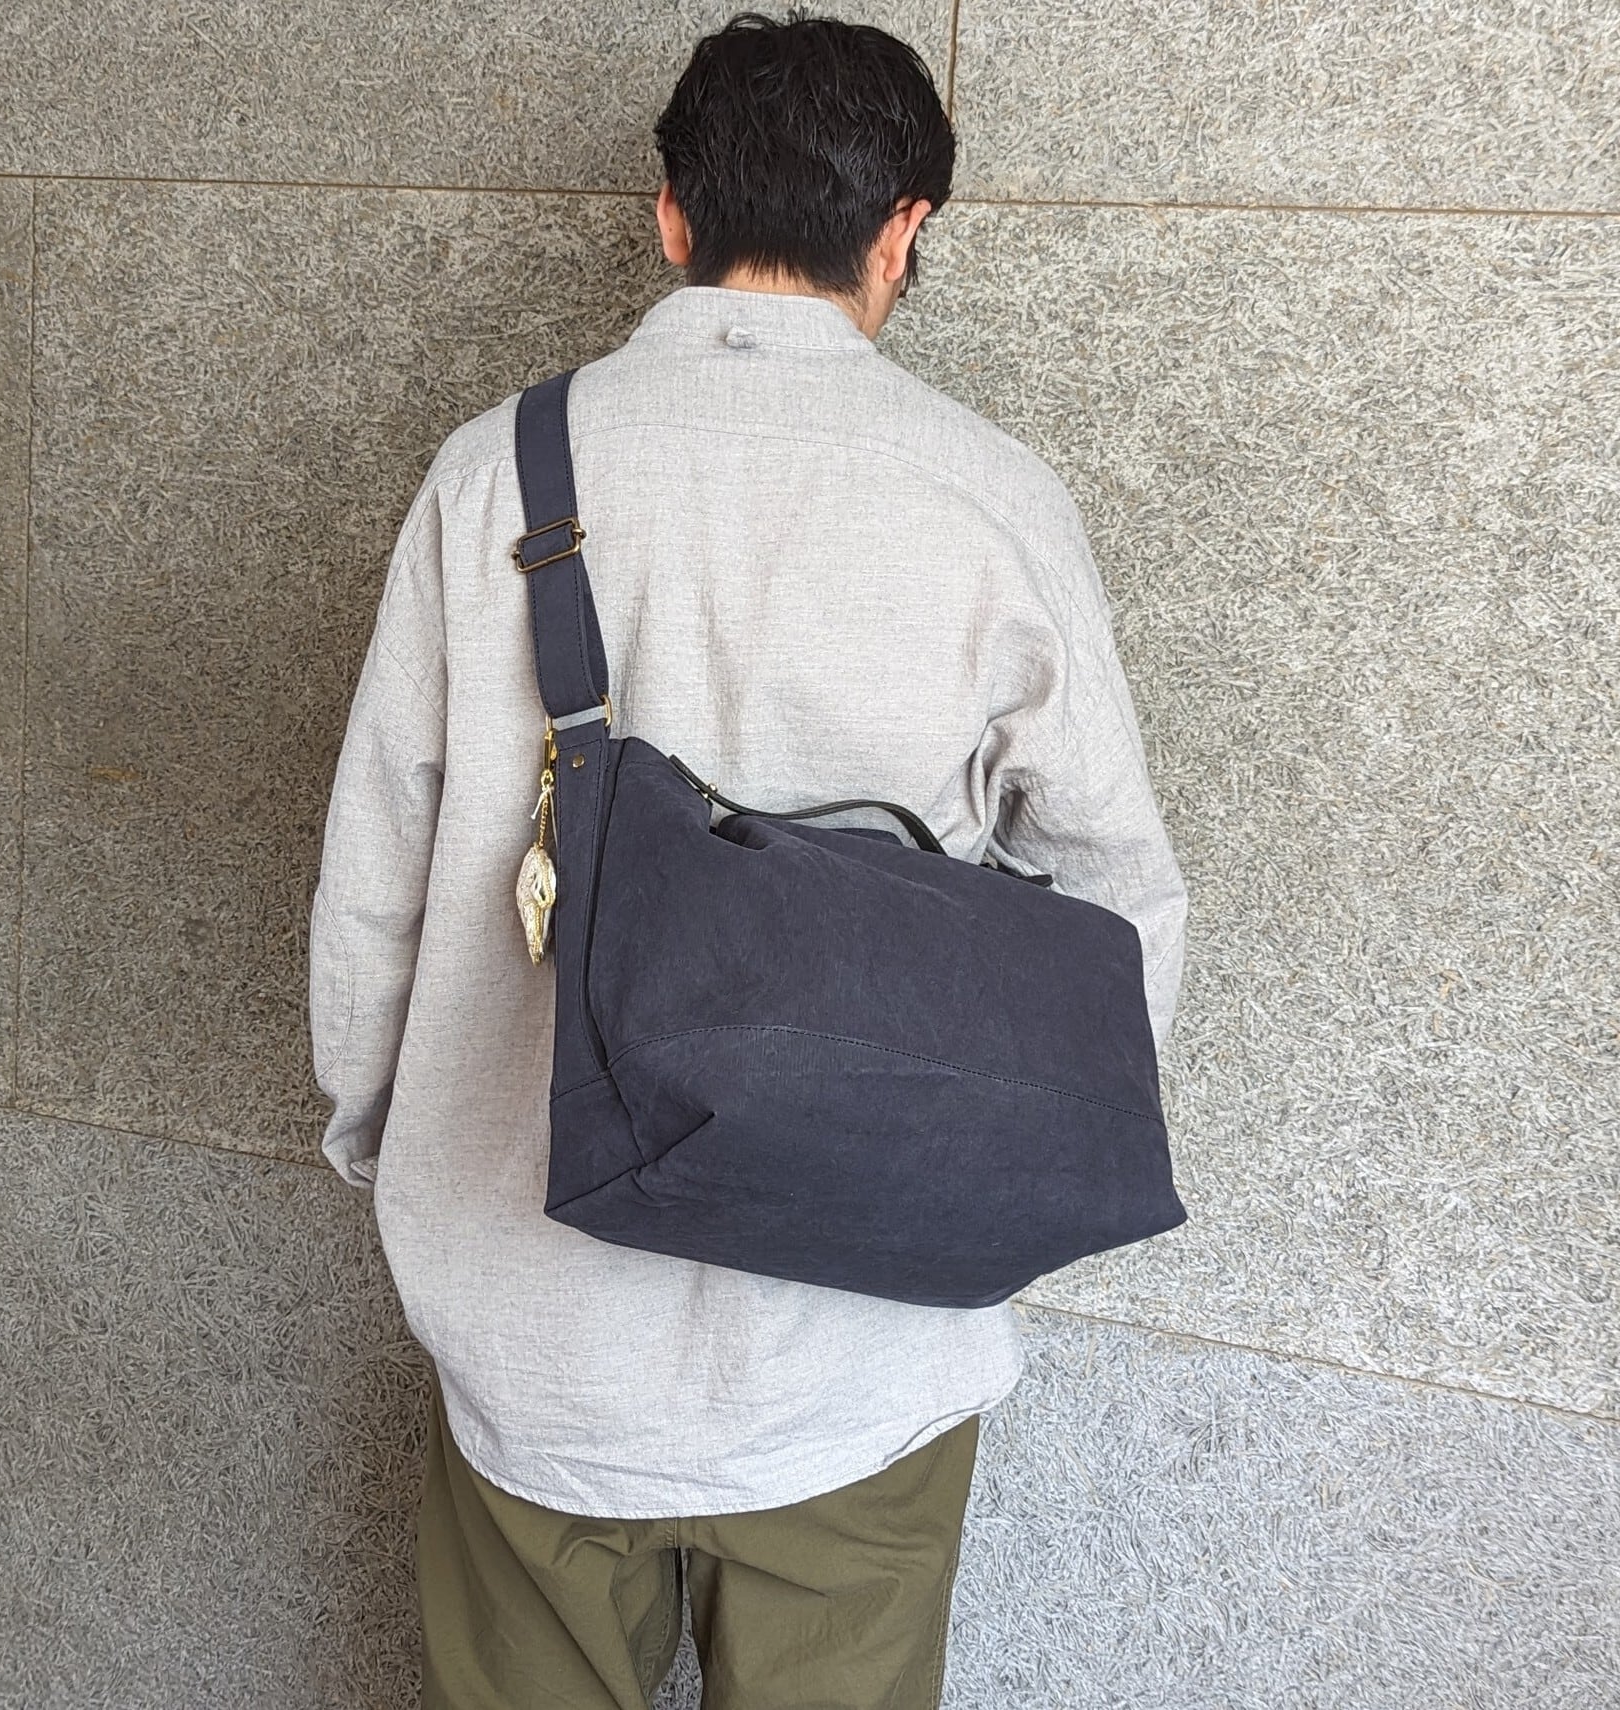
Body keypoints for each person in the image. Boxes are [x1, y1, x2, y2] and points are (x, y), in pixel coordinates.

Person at [308, 10, 1187, 1706]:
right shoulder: (993, 496)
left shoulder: (495, 475)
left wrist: (390, 1145)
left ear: (670, 215)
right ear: (900, 231)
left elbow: (375, 879)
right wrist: (1005, 1162)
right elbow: (1116, 901)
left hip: (535, 1327)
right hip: (858, 1351)